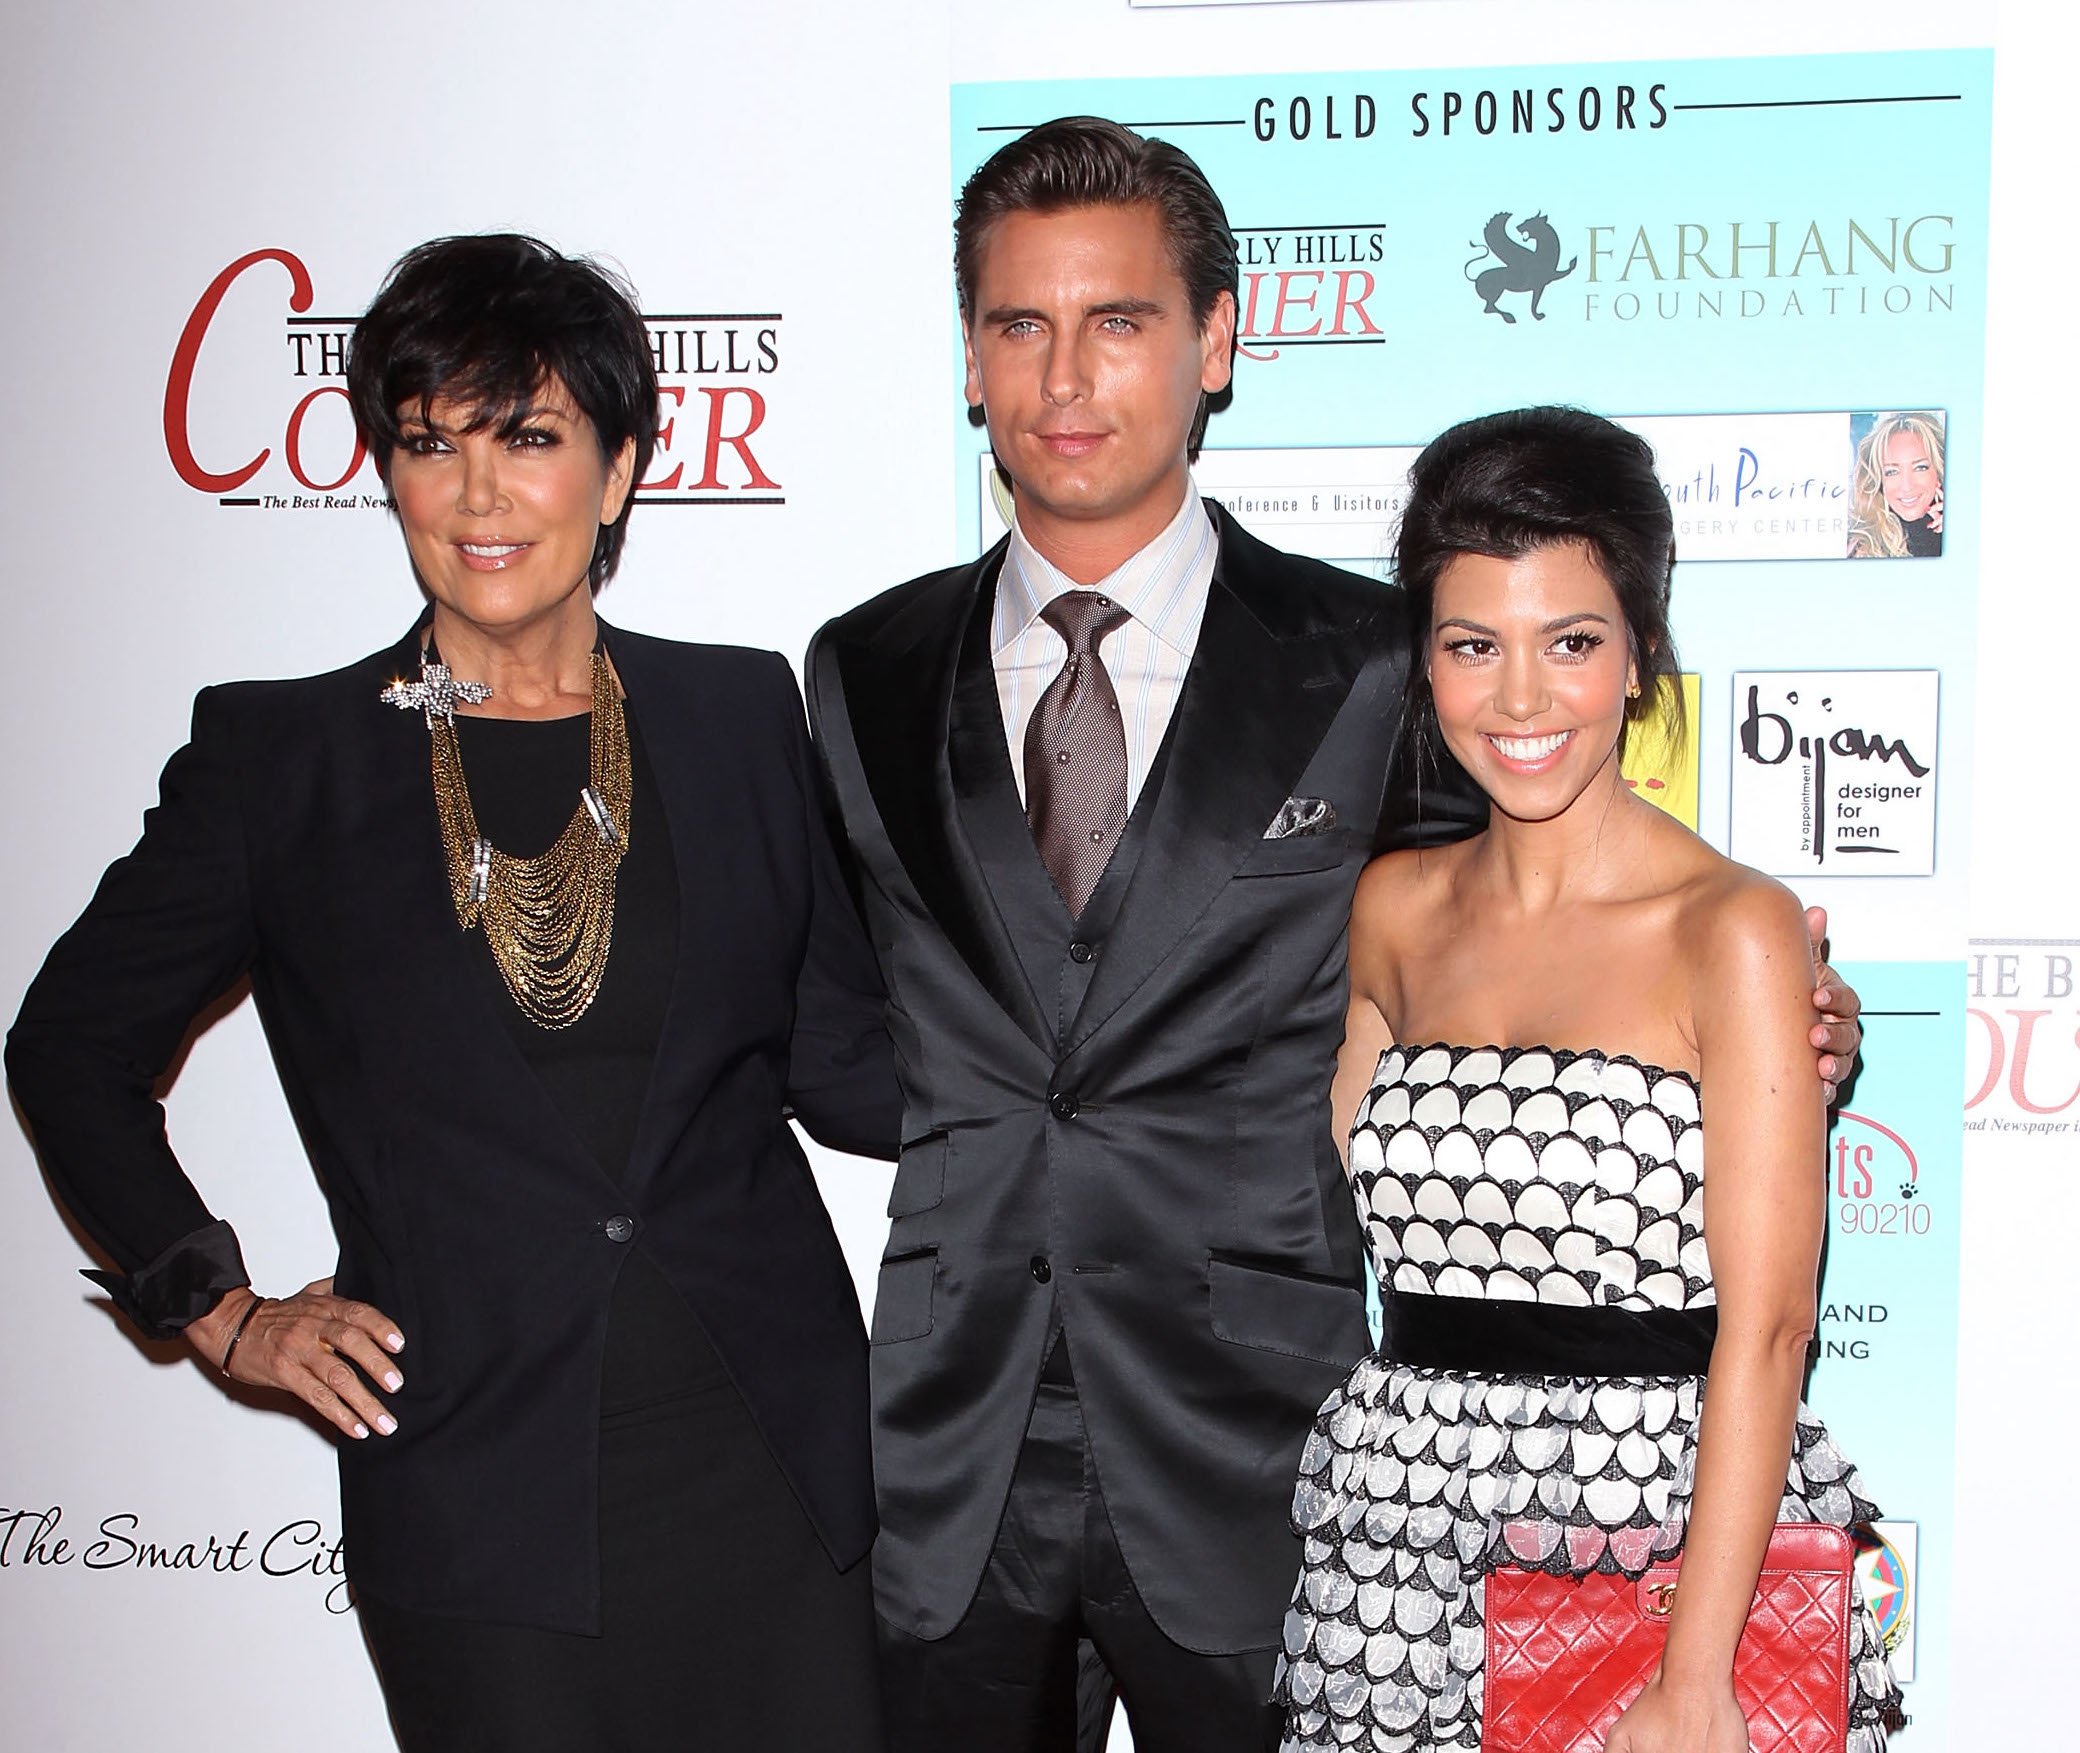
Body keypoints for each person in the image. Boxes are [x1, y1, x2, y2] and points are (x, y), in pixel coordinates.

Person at [805, 117, 1863, 1752]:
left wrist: (1791, 1024)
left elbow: (1542, 921)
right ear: (969, 356)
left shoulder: (1378, 660)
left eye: (1122, 320)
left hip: (1269, 1462)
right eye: (1021, 323)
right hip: (958, 1452)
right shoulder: (860, 669)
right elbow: (831, 1016)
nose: (1066, 375)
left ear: (1219, 340)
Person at [7, 234, 895, 1752]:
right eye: (431, 443)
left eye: (530, 438)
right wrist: (219, 1313)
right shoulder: (283, 764)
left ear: (617, 472)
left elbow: (843, 1063)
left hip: (776, 1467)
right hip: (479, 1492)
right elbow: (69, 1045)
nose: (478, 495)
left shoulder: (738, 713)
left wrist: (1091, 1034)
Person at [1275, 406, 1903, 1752]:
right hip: (1397, 1555)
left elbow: (1773, 1327)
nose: (1518, 699)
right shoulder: (1390, 907)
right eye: (1471, 645)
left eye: (1571, 641)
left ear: (1639, 658)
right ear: (1425, 667)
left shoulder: (1728, 928)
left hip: (1650, 1542)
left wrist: (1695, 1676)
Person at [1846, 410, 1945, 558]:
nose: (1907, 486)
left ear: (1940, 469)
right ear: (1879, 480)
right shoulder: (1859, 547)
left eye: (1920, 468)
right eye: (1892, 471)